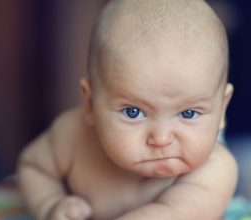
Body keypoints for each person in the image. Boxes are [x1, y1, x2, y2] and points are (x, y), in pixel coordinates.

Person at [17, 0, 238, 219]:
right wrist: (50, 204)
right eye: (133, 112)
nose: (161, 139)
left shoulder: (214, 170)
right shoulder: (73, 135)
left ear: (222, 108)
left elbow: (173, 214)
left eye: (188, 113)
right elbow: (33, 167)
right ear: (90, 103)